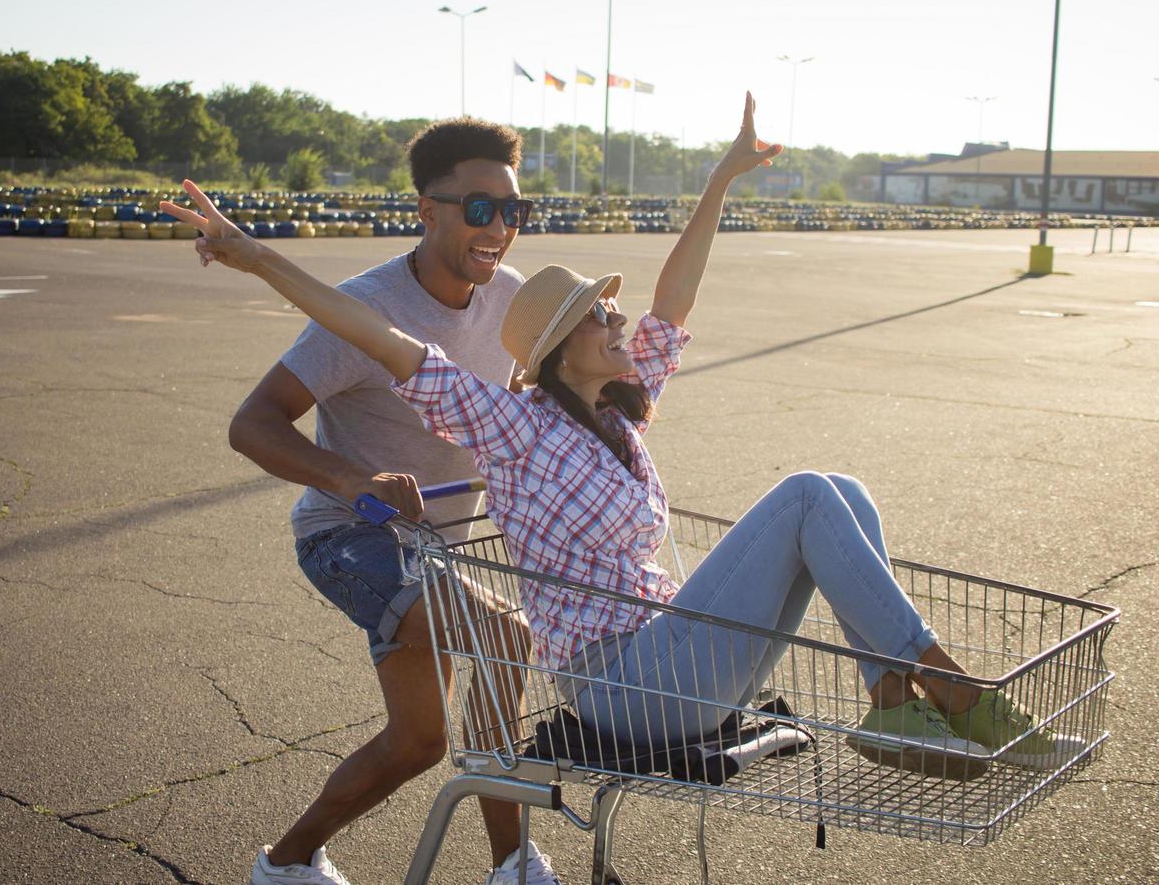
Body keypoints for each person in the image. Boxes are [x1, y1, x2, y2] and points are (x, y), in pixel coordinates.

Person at [180, 91, 1085, 791]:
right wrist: (259, 257)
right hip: (627, 687)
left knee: (842, 489)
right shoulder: (514, 425)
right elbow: (380, 335)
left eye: (612, 311)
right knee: (809, 492)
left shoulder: (614, 409)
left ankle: (893, 699)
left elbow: (677, 297)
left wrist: (724, 178)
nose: (620, 321)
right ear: (556, 349)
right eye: (599, 316)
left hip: (670, 660)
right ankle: (957, 692)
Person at [161, 119, 558, 885]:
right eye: (480, 209)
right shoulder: (366, 308)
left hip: (434, 549)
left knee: (418, 743)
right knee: (507, 636)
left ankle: (286, 864)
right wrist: (352, 481)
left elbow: (509, 409)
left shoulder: (507, 301)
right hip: (351, 538)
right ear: (428, 210)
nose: (500, 229)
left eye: (515, 211)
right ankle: (514, 865)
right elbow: (253, 423)